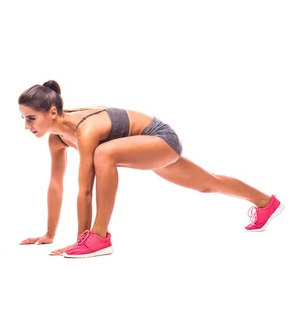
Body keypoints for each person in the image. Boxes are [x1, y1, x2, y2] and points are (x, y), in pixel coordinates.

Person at [17, 80, 285, 258]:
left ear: (52, 112)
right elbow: (56, 186)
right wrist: (50, 234)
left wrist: (82, 241)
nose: (27, 126)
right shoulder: (57, 139)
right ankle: (266, 202)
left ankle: (99, 237)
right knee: (207, 183)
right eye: (23, 119)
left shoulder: (85, 130)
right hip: (141, 146)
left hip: (160, 138)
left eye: (31, 118)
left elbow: (85, 188)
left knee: (104, 153)